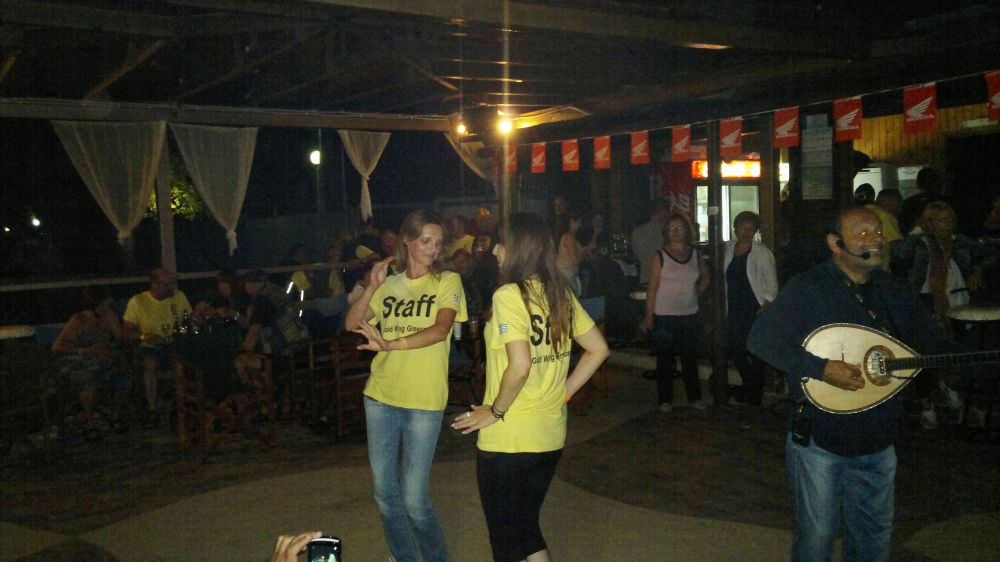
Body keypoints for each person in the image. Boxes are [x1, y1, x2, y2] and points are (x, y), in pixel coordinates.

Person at [747, 207, 953, 562]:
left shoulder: (893, 291)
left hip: (878, 437)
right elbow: (761, 339)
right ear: (835, 244)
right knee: (817, 537)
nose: (875, 239)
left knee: (873, 535)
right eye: (862, 234)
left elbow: (930, 344)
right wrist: (820, 368)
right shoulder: (808, 287)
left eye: (878, 232)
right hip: (819, 437)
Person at [451, 211, 609, 562]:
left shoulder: (509, 295)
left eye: (500, 243)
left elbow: (520, 365)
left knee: (507, 539)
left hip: (510, 437)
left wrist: (496, 411)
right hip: (549, 434)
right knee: (524, 530)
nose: (495, 251)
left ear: (518, 248)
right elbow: (598, 349)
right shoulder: (558, 293)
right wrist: (563, 392)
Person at [344, 208, 467, 562]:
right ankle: (403, 558)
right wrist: (371, 287)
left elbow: (441, 330)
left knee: (414, 498)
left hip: (424, 400)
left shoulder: (448, 281)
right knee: (385, 494)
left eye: (438, 242)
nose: (433, 248)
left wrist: (392, 344)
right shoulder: (390, 284)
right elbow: (352, 324)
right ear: (407, 241)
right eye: (426, 241)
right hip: (381, 396)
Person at [892, 201, 997, 428]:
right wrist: (917, 231)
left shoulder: (959, 243)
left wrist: (978, 269)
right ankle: (927, 406)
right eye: (942, 220)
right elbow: (899, 254)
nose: (948, 225)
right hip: (925, 303)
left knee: (957, 352)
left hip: (956, 303)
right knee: (923, 355)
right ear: (928, 223)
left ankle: (950, 385)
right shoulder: (918, 243)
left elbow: (992, 253)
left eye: (951, 220)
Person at [640, 212, 709, 412]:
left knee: (690, 358)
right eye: (671, 229)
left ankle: (694, 397)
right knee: (665, 359)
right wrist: (648, 317)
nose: (676, 232)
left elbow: (706, 277)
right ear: (666, 232)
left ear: (687, 231)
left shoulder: (694, 254)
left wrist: (697, 291)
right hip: (665, 315)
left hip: (689, 313)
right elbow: (652, 289)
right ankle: (665, 399)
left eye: (679, 228)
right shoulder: (660, 256)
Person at [51, 285, 130, 438]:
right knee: (89, 384)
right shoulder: (78, 319)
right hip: (79, 364)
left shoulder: (109, 316)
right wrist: (84, 350)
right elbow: (57, 347)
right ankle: (89, 422)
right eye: (106, 303)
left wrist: (112, 345)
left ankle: (115, 416)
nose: (109, 305)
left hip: (101, 362)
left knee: (123, 379)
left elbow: (120, 339)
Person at [122, 268, 192, 426]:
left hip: (174, 344)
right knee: (150, 364)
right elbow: (126, 332)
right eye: (166, 284)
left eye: (171, 283)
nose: (171, 287)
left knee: (180, 364)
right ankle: (152, 409)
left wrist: (190, 325)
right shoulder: (138, 301)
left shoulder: (179, 296)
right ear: (154, 284)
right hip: (149, 346)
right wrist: (143, 336)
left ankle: (180, 406)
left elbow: (188, 322)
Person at [722, 212, 777, 406]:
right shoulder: (728, 248)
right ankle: (751, 387)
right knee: (736, 349)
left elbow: (772, 285)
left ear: (755, 231)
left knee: (755, 352)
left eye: (750, 228)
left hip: (755, 309)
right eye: (742, 227)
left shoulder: (762, 252)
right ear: (735, 229)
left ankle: (754, 395)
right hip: (734, 308)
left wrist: (765, 306)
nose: (746, 231)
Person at [631, 198, 670, 281]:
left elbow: (636, 257)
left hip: (646, 279)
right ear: (664, 212)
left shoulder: (637, 232)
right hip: (668, 280)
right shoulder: (670, 232)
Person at [865, 189, 903, 272]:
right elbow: (895, 247)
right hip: (879, 270)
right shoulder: (886, 217)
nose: (900, 210)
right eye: (900, 205)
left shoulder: (863, 211)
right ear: (893, 203)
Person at [554, 210, 586, 295]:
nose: (580, 225)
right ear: (572, 222)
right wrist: (585, 253)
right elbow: (575, 260)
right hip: (567, 275)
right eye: (579, 222)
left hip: (568, 275)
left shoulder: (571, 237)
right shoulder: (568, 238)